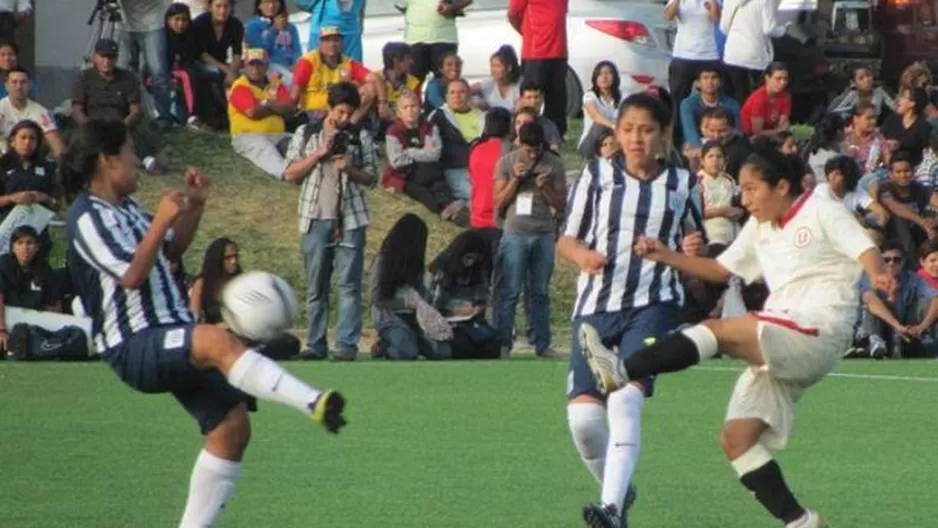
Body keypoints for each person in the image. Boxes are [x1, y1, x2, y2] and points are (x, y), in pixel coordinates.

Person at [578, 144, 896, 528]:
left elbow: (864, 248)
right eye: (741, 191)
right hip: (783, 331)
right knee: (737, 439)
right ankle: (802, 522)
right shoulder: (760, 227)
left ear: (781, 186)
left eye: (750, 189)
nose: (744, 200)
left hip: (818, 327)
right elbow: (720, 269)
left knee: (717, 330)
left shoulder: (822, 209)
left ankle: (622, 370)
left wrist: (879, 274)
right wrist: (665, 255)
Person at [62, 119, 347, 528]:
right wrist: (161, 220)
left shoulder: (127, 210)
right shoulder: (86, 218)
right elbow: (130, 276)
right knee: (218, 340)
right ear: (106, 161)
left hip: (169, 330)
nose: (135, 164)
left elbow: (171, 252)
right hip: (134, 342)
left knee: (232, 427)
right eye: (128, 154)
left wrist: (194, 206)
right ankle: (312, 401)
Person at [558, 92, 705, 528]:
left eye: (645, 130)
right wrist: (583, 257)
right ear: (616, 133)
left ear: (662, 135)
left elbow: (694, 240)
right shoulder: (596, 175)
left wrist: (692, 246)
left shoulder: (681, 183)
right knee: (584, 420)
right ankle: (618, 492)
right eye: (627, 129)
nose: (635, 138)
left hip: (654, 305)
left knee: (625, 401)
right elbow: (566, 239)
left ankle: (612, 512)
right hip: (596, 307)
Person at [283, 82, 376, 362]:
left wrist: (349, 167)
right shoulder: (307, 133)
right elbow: (289, 174)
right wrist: (318, 154)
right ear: (329, 108)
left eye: (350, 113)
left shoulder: (360, 136)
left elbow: (373, 178)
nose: (345, 118)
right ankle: (315, 343)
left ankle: (347, 344)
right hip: (314, 217)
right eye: (340, 112)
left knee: (349, 284)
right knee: (316, 285)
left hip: (351, 217)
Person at [493, 121, 566, 358]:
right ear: (519, 143)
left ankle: (542, 343)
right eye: (527, 148)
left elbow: (561, 205)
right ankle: (503, 343)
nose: (532, 153)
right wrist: (515, 180)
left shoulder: (554, 163)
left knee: (540, 292)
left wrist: (545, 188)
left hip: (543, 232)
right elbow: (498, 203)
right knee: (509, 291)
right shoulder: (506, 162)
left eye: (536, 148)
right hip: (515, 232)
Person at [369, 214, 453, 360]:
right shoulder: (383, 261)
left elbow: (422, 292)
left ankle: (414, 342)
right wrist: (405, 304)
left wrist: (431, 308)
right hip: (390, 318)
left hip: (415, 317)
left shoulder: (415, 264)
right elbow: (377, 298)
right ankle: (385, 346)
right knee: (407, 353)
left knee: (443, 353)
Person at [508, 0, 570, 138]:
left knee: (557, 98)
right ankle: (524, 133)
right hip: (535, 53)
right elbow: (513, 14)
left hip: (559, 52)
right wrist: (527, 32)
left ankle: (556, 135)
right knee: (531, 98)